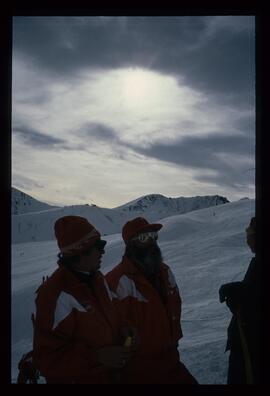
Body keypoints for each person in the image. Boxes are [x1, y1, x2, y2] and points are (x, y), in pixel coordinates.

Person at [32, 215, 136, 384]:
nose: (103, 251)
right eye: (98, 245)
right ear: (80, 252)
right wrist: (97, 357)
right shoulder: (54, 295)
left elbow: (114, 311)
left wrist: (125, 328)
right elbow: (46, 360)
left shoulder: (97, 279)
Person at [106, 216, 198, 384]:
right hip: (139, 370)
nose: (151, 243)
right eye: (143, 238)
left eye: (154, 237)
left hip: (171, 360)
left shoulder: (165, 272)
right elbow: (112, 332)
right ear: (130, 245)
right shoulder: (117, 281)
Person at [219, 216, 261, 384]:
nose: (247, 237)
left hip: (251, 347)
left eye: (249, 232)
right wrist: (240, 289)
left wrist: (240, 295)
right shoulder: (259, 261)